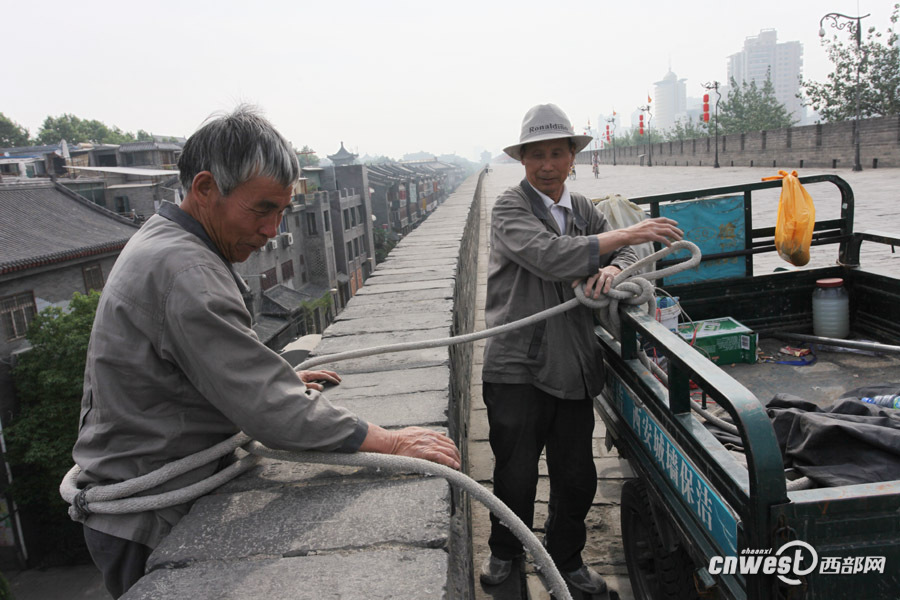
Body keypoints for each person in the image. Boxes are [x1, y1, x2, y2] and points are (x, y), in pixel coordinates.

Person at [71, 106, 460, 599]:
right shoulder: (184, 269)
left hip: (153, 490)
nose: (273, 229)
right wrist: (389, 442)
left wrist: (282, 378)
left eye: (281, 211)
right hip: (147, 512)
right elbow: (267, 407)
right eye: (261, 210)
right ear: (206, 188)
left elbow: (220, 362)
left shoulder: (168, 240)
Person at [479, 103, 682, 595]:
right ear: (522, 160)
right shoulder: (510, 208)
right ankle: (506, 553)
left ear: (573, 157)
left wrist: (616, 267)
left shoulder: (585, 211)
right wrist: (630, 231)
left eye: (556, 153)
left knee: (575, 477)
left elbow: (632, 252)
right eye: (536, 155)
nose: (547, 164)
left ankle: (567, 560)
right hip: (517, 366)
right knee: (516, 476)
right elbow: (551, 257)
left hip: (572, 367)